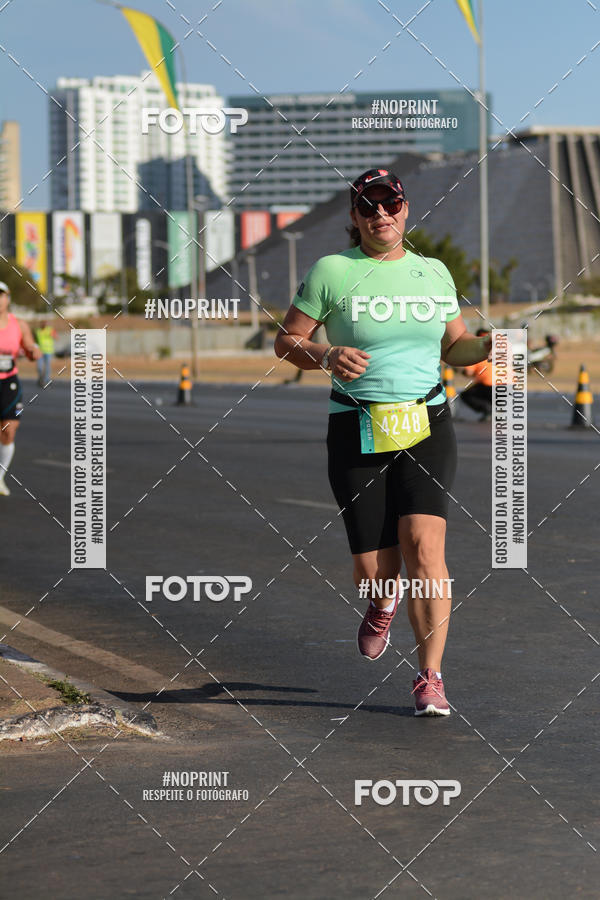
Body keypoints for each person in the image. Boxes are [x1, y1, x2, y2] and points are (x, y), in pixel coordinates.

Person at [274, 168, 491, 716]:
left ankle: (430, 677)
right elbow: (286, 341)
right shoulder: (332, 270)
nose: (380, 216)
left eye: (389, 204)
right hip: (357, 424)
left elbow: (457, 347)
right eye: (368, 208)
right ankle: (381, 600)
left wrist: (492, 346)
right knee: (374, 570)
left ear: (405, 208)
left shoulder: (433, 272)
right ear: (354, 217)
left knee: (426, 549)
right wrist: (323, 354)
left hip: (426, 422)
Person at [0, 282, 41, 495]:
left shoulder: (19, 324)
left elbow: (30, 345)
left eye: (2, 295)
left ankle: (0, 477)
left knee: (9, 430)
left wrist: (34, 351)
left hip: (10, 383)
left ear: (8, 298)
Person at [461, 328, 492, 421]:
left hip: (489, 386)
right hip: (510, 386)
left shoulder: (477, 352)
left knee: (466, 395)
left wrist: (462, 371)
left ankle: (487, 410)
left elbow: (468, 372)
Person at [33, 319, 57, 386]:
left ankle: (47, 380)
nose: (44, 325)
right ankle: (40, 378)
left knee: (47, 366)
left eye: (45, 324)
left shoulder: (50, 330)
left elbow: (56, 337)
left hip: (48, 351)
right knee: (39, 367)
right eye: (42, 324)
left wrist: (53, 335)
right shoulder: (38, 331)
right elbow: (35, 340)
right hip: (40, 351)